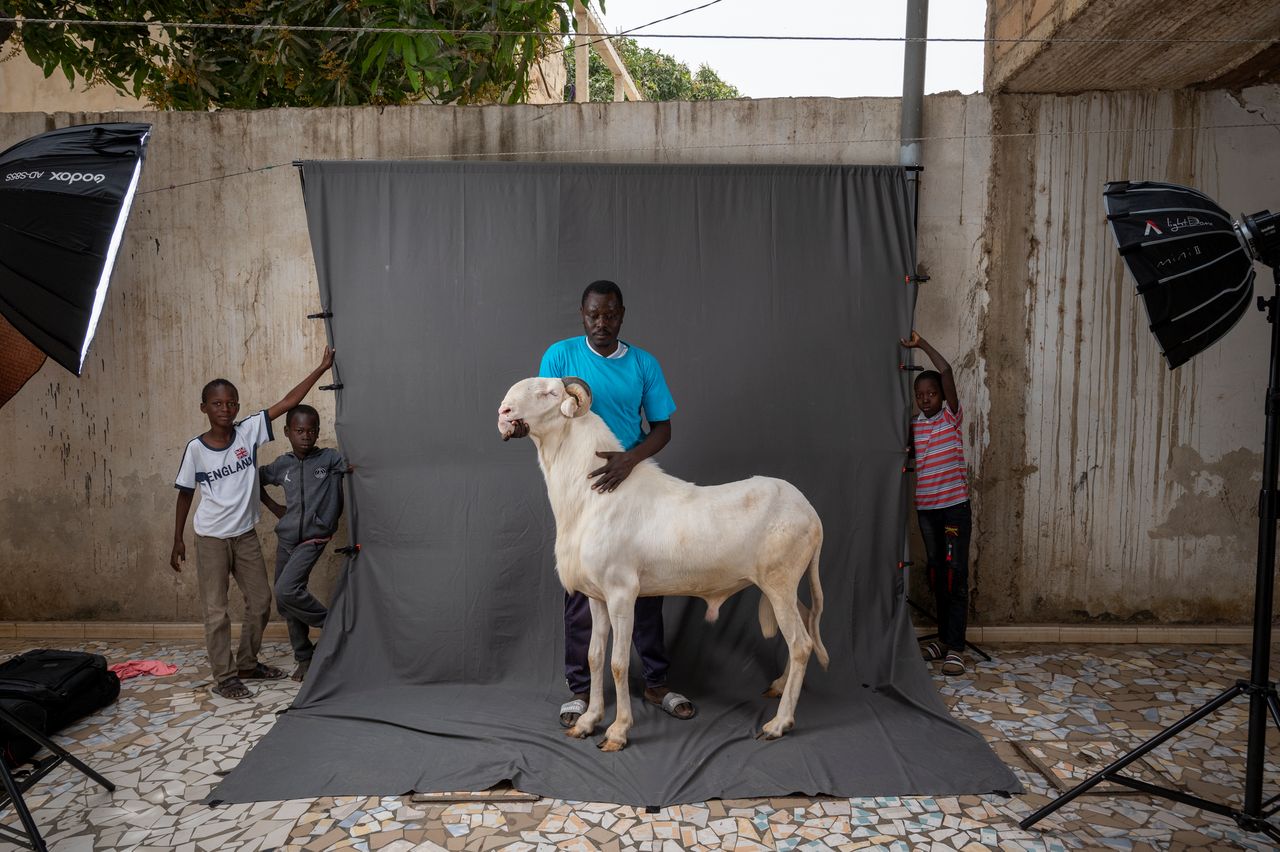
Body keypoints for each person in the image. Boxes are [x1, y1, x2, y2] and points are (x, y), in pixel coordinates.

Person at [535, 280, 697, 727]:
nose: (601, 323)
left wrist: (630, 459)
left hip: (630, 480)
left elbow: (662, 428)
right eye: (593, 315)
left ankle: (657, 682)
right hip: (581, 487)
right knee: (581, 587)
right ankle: (581, 691)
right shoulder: (560, 357)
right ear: (582, 314)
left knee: (643, 585)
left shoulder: (643, 363)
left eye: (610, 315)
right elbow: (545, 414)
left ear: (622, 314)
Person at [171, 348, 335, 699]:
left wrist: (321, 368)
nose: (225, 409)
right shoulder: (196, 450)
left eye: (231, 403)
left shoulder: (248, 432)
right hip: (211, 538)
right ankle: (226, 676)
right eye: (217, 404)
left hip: (244, 536)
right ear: (204, 408)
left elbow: (289, 400)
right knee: (217, 611)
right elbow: (185, 494)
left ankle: (247, 663)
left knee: (261, 601)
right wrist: (178, 539)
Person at [900, 330, 972, 676]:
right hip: (927, 512)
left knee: (955, 574)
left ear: (943, 396)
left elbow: (946, 372)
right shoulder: (914, 426)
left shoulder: (950, 418)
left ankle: (956, 648)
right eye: (920, 395)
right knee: (937, 574)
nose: (926, 398)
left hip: (954, 508)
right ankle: (943, 640)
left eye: (931, 393)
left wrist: (922, 344)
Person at [258, 404, 347, 682]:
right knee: (288, 603)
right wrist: (275, 508)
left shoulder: (329, 459)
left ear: (318, 432)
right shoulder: (281, 465)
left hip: (313, 537)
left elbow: (355, 466)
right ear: (287, 432)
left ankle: (335, 625)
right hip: (287, 539)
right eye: (299, 431)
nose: (306, 436)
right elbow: (254, 478)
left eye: (312, 431)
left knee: (286, 591)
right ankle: (305, 658)